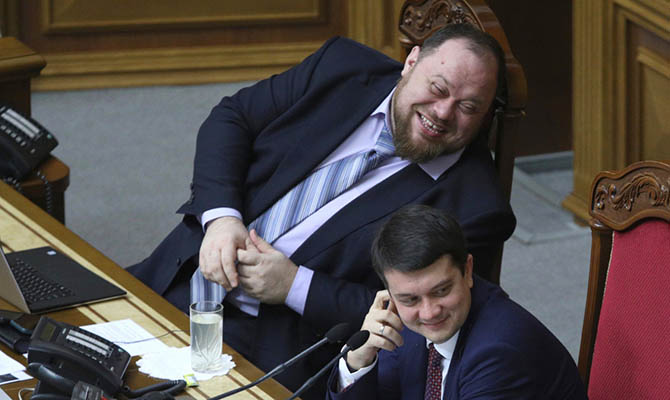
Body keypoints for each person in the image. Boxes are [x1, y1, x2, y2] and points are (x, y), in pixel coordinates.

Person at [129, 24, 516, 399]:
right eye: (437, 89)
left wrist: (294, 285)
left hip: (274, 349)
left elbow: (419, 315)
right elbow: (233, 117)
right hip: (181, 273)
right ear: (411, 62)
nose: (444, 112)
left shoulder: (477, 207)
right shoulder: (342, 66)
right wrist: (222, 218)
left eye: (468, 107)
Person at [327, 204, 587, 399]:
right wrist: (359, 362)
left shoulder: (499, 352)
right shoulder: (402, 323)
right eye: (410, 299)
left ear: (468, 271)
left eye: (441, 290)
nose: (429, 312)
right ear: (389, 294)